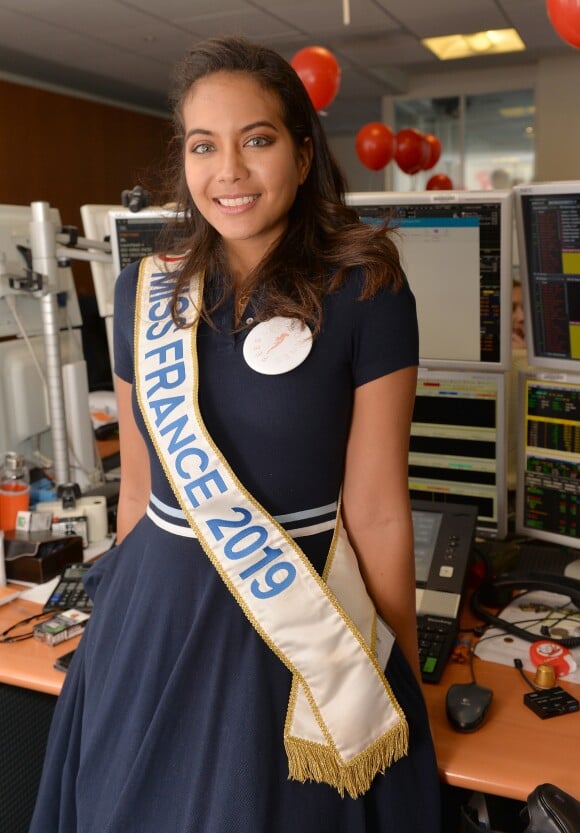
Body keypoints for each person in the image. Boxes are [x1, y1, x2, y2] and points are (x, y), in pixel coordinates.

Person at [29, 36, 440, 833]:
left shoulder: (369, 288)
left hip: (290, 629)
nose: (230, 172)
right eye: (203, 145)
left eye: (256, 139)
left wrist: (393, 671)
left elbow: (381, 509)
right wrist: (117, 618)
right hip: (152, 621)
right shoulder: (144, 290)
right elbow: (141, 491)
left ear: (300, 150)